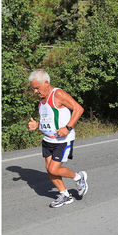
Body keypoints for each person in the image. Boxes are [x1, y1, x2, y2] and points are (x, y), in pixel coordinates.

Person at [27, 70, 88, 208]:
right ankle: (65, 195)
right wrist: (37, 125)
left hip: (62, 140)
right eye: (33, 89)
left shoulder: (58, 94)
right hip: (48, 140)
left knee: (54, 169)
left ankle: (79, 177)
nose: (35, 91)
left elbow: (78, 109)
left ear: (46, 83)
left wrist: (68, 128)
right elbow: (48, 119)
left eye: (37, 88)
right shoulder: (42, 98)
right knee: (49, 170)